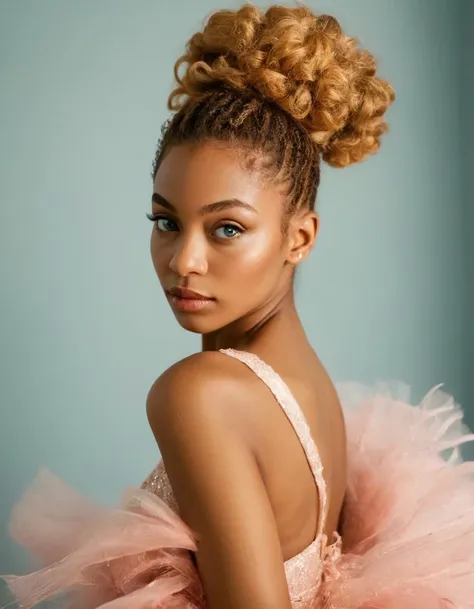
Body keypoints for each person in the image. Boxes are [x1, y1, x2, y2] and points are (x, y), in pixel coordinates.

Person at [2, 4, 474, 609]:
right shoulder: (307, 385)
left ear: (299, 238)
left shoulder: (200, 394)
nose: (183, 261)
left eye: (226, 228)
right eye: (166, 221)